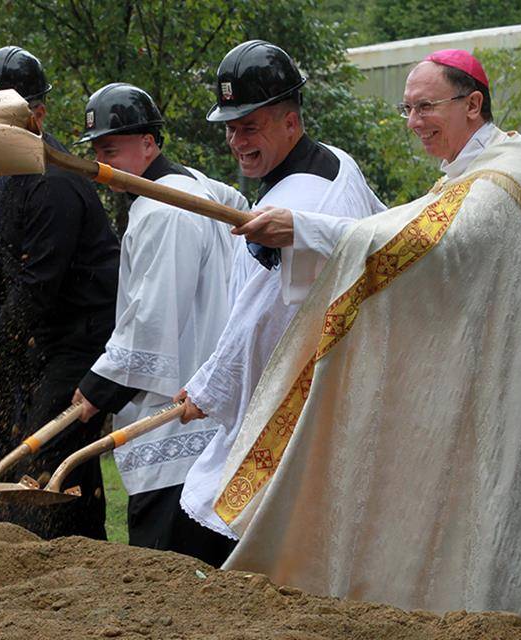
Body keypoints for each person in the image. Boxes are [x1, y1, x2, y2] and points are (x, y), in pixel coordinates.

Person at [214, 49, 521, 630]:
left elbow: (423, 243)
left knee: (501, 530)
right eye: (407, 109)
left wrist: (302, 227)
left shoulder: (504, 180)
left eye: (426, 107)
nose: (414, 122)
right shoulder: (475, 173)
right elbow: (422, 243)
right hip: (493, 381)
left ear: (472, 105)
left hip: (519, 396)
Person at [174, 40, 385, 566]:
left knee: (208, 541)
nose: (235, 140)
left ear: (290, 121)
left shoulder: (294, 207)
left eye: (250, 127)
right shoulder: (338, 162)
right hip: (334, 387)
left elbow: (264, 323)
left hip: (290, 400)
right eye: (230, 127)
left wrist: (208, 390)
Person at [0, 46, 120, 540]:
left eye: (5, 118)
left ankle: (74, 555)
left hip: (79, 338)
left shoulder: (56, 184)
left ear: (37, 115)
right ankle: (1, 552)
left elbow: (36, 288)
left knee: (46, 446)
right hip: (30, 337)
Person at [70, 82, 248, 555]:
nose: (102, 165)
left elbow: (152, 316)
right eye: (97, 152)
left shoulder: (164, 210)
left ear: (150, 143)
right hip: (203, 394)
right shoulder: (192, 187)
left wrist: (96, 391)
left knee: (172, 558)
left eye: (113, 149)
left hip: (181, 408)